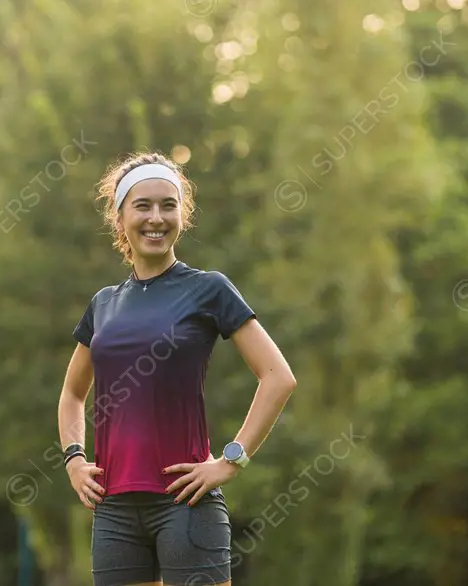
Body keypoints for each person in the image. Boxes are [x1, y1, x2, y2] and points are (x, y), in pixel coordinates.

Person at [57, 151, 298, 586]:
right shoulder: (104, 304)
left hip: (185, 504)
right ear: (120, 217)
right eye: (143, 205)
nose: (156, 217)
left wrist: (232, 459)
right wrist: (74, 459)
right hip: (113, 511)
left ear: (182, 216)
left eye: (168, 205)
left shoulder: (208, 289)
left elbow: (278, 377)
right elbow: (73, 394)